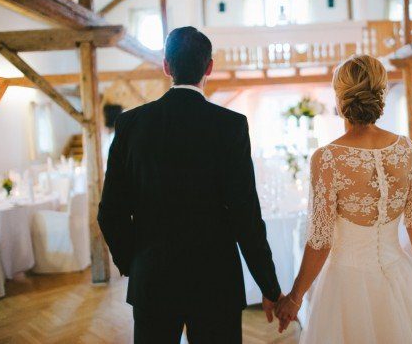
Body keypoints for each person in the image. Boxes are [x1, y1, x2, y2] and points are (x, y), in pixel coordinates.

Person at [98, 26, 283, 344]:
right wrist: (270, 287)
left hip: (152, 279)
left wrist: (135, 262)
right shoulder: (230, 127)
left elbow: (110, 211)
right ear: (209, 67)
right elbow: (245, 216)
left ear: (166, 67)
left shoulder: (129, 125)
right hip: (215, 281)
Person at [275, 55, 412, 343]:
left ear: (341, 98)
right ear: (380, 94)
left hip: (346, 283)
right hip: (401, 276)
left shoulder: (328, 158)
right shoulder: (406, 149)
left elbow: (320, 240)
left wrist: (294, 297)